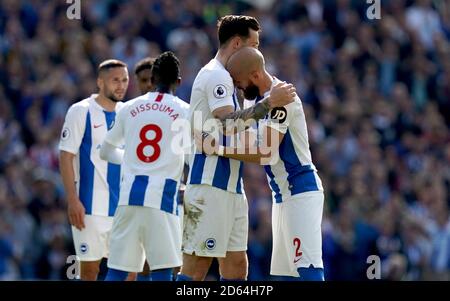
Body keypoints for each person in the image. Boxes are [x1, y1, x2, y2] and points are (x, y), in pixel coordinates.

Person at [179, 15, 296, 281]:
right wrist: (269, 103)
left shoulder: (229, 80)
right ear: (236, 43)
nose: (257, 50)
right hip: (210, 184)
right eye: (253, 44)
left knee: (236, 267)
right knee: (196, 266)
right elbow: (229, 125)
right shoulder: (216, 76)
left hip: (230, 187)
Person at [198, 47, 325, 281]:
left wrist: (218, 148)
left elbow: (265, 152)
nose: (237, 88)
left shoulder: (282, 97)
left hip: (301, 191)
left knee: (309, 270)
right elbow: (243, 138)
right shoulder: (254, 100)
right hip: (282, 194)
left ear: (255, 76)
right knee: (289, 275)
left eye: (239, 82)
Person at [101, 51, 189, 281]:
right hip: (162, 200)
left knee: (117, 271)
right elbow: (192, 159)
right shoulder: (186, 111)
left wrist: (131, 159)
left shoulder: (129, 107)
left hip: (128, 197)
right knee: (162, 270)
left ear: (153, 80)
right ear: (178, 82)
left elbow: (106, 150)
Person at [59, 59, 130, 280]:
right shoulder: (80, 111)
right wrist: (72, 200)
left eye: (125, 80)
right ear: (100, 82)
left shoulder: (128, 113)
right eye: (115, 80)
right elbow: (65, 156)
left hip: (123, 209)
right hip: (89, 208)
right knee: (89, 271)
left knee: (129, 273)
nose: (121, 85)